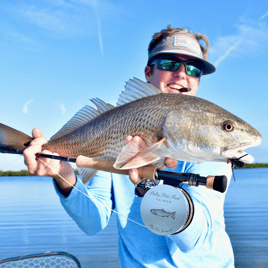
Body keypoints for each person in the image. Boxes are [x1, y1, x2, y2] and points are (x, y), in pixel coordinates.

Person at [23, 25, 234, 267]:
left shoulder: (213, 144)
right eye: (169, 64)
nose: (182, 75)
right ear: (148, 71)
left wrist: (151, 187)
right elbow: (93, 222)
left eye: (194, 69)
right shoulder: (116, 129)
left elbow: (192, 240)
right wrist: (63, 174)